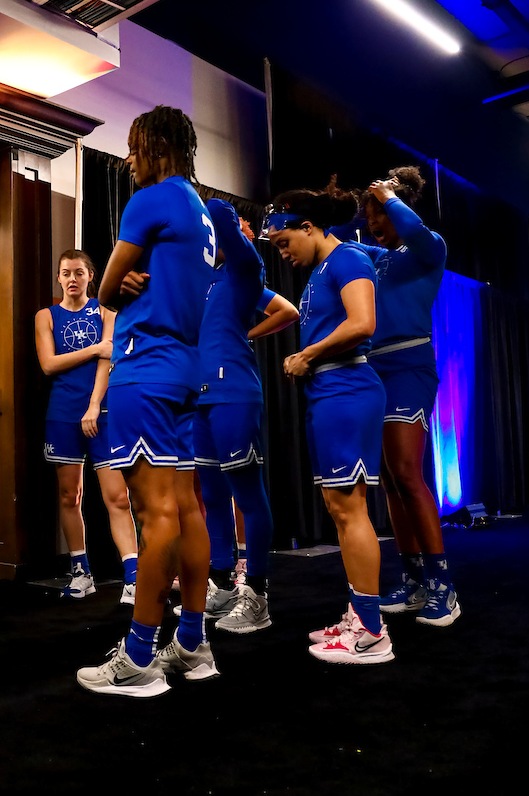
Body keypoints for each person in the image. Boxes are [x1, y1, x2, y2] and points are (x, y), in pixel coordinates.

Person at [76, 105, 217, 697]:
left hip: (146, 366)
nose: (130, 161)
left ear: (156, 147)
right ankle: (192, 642)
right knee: (186, 508)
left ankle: (138, 656)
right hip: (187, 366)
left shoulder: (152, 199)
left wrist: (121, 282)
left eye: (135, 149)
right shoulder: (200, 209)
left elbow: (104, 289)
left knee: (153, 511)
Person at [264, 183, 395, 665]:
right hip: (328, 391)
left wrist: (307, 354)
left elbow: (363, 323)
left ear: (307, 226)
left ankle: (371, 632)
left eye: (284, 243)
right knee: (341, 510)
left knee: (350, 509)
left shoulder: (347, 260)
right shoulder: (320, 269)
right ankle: (360, 613)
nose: (283, 254)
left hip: (347, 388)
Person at [356, 168, 458, 626]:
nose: (374, 219)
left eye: (381, 210)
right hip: (373, 368)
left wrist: (390, 195)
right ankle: (414, 580)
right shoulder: (376, 257)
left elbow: (413, 229)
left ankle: (444, 587)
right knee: (391, 481)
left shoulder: (429, 245)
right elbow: (335, 240)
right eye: (370, 212)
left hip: (410, 366)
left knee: (406, 471)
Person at [191, 200, 298, 634]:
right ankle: (223, 581)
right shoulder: (208, 279)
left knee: (247, 495)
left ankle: (257, 593)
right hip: (201, 398)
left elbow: (218, 213)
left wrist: (215, 211)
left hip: (235, 391)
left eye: (247, 225)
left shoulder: (246, 268)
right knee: (212, 496)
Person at [35, 250, 139, 603]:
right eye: (65, 273)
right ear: (59, 278)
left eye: (79, 272)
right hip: (62, 414)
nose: (72, 279)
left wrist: (94, 405)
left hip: (103, 413)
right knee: (70, 496)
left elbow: (109, 359)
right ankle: (81, 572)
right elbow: (49, 364)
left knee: (118, 497)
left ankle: (134, 578)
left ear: (90, 276)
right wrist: (96, 347)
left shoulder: (106, 310)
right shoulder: (46, 316)